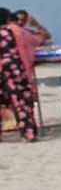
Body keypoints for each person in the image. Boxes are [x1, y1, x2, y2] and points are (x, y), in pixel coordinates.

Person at [0, 8, 40, 141]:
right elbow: (38, 40)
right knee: (22, 100)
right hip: (14, 68)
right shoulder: (16, 30)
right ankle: (29, 132)